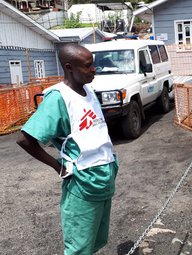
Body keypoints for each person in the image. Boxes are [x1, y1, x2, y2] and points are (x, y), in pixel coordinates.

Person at [17, 43, 119, 255]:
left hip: (103, 177)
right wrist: (58, 166)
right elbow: (25, 139)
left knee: (94, 239)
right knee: (78, 245)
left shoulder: (87, 90)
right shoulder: (58, 98)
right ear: (69, 67)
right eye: (88, 66)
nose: (94, 69)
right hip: (83, 181)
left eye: (93, 65)